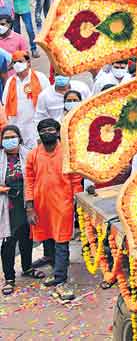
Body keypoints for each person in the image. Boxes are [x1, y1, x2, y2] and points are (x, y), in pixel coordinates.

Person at [25, 118, 81, 298]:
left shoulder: (67, 153)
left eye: (50, 129)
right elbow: (29, 181)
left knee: (61, 242)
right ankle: (56, 272)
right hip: (41, 206)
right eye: (43, 130)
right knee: (47, 239)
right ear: (39, 134)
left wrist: (76, 201)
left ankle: (60, 277)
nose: (46, 133)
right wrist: (30, 207)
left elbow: (75, 180)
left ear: (57, 132)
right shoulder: (33, 155)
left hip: (63, 205)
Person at [0, 123, 34, 296]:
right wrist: (4, 189)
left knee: (27, 237)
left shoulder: (29, 155)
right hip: (7, 206)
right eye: (6, 138)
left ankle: (27, 268)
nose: (10, 140)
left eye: (12, 137)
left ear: (19, 138)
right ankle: (9, 278)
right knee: (8, 242)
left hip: (27, 204)